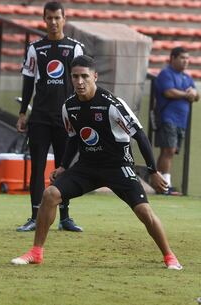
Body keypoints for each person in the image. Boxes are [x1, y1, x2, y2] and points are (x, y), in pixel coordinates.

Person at [11, 55, 182, 270]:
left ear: (95, 76)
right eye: (75, 77)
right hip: (88, 167)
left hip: (118, 167)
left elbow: (140, 136)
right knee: (50, 194)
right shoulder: (69, 107)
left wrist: (153, 171)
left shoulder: (112, 105)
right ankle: (36, 252)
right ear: (70, 78)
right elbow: (73, 138)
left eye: (85, 76)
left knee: (144, 212)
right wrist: (63, 166)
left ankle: (169, 256)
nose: (80, 81)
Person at [16, 1, 84, 232]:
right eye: (49, 18)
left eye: (57, 18)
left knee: (63, 168)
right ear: (44, 20)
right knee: (37, 167)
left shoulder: (75, 48)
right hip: (40, 118)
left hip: (66, 118)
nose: (53, 22)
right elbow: (27, 82)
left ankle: (65, 217)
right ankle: (35, 216)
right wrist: (23, 112)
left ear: (64, 19)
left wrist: (80, 113)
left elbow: (82, 82)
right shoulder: (36, 49)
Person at [155, 46, 199, 195]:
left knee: (170, 152)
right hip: (168, 118)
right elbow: (169, 92)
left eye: (187, 58)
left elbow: (196, 95)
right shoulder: (166, 73)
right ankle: (165, 185)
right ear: (172, 58)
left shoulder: (187, 77)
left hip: (181, 121)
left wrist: (194, 92)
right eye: (182, 58)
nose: (186, 61)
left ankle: (160, 184)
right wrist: (188, 94)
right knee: (168, 150)